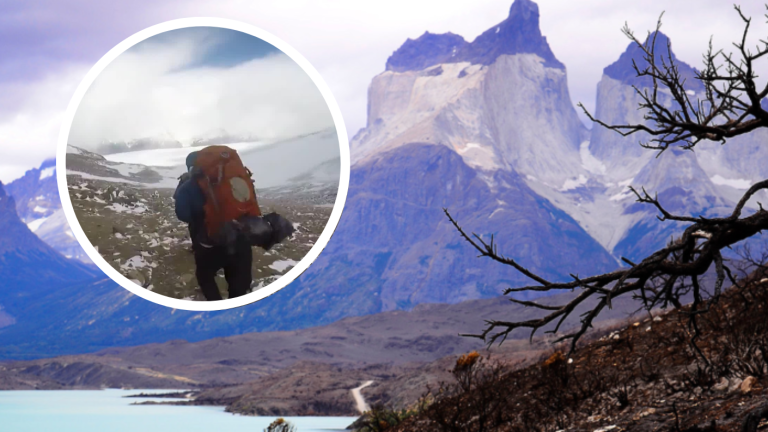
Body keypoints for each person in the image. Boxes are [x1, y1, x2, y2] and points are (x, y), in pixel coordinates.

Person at [174, 148, 293, 301]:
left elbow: (183, 215)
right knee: (239, 285)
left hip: (210, 242)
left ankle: (215, 305)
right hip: (241, 238)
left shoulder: (188, 186)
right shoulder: (236, 178)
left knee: (205, 275)